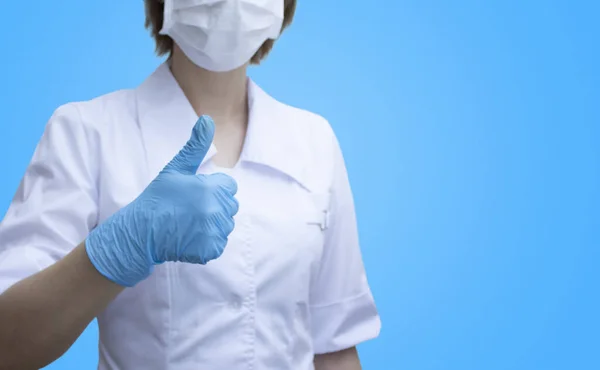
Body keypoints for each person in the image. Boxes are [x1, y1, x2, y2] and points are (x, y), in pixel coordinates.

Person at [0, 0, 381, 369]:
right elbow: (8, 345)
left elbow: (334, 350)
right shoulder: (88, 132)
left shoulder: (314, 141)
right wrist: (114, 252)